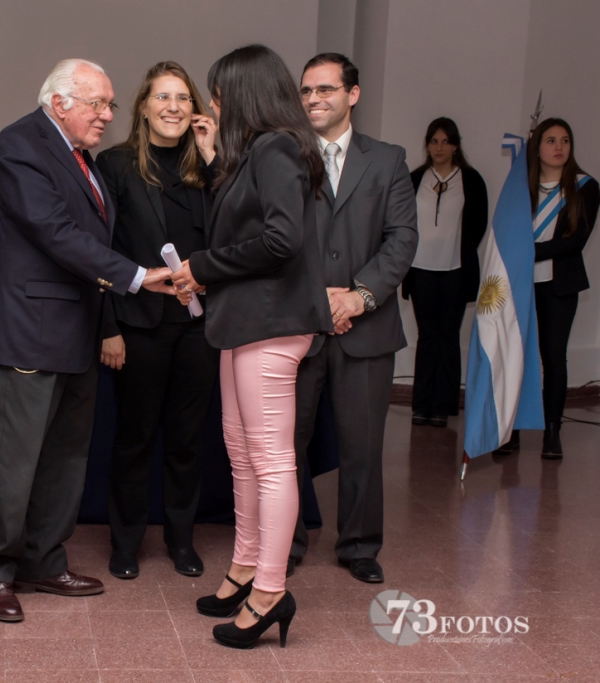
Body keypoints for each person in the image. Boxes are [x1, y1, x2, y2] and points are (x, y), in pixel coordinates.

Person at [0, 58, 174, 623]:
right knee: (14, 464)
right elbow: (54, 233)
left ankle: (42, 560)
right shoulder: (20, 144)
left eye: (109, 104)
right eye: (98, 104)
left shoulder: (82, 160)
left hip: (78, 333)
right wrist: (136, 276)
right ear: (60, 102)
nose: (109, 115)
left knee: (64, 459)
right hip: (30, 335)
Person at [170, 44, 333, 650]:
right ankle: (243, 568)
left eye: (218, 92)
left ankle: (269, 591)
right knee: (242, 454)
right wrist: (216, 165)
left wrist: (203, 265)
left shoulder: (279, 148)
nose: (212, 103)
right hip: (243, 321)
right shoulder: (256, 153)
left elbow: (281, 239)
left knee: (270, 461)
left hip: (271, 320)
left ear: (244, 93)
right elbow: (243, 221)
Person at [289, 53, 418, 584]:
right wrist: (321, 301)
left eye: (325, 89)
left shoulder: (387, 160)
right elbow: (280, 241)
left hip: (367, 329)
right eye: (306, 91)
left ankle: (360, 545)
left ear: (353, 94)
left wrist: (359, 297)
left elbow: (402, 238)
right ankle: (286, 541)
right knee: (287, 444)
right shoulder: (288, 159)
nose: (314, 99)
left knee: (363, 445)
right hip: (299, 328)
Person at [96, 61, 219, 580]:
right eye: (162, 97)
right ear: (144, 106)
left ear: (196, 109)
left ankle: (180, 541)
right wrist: (107, 327)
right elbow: (97, 252)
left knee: (188, 440)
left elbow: (234, 238)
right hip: (137, 327)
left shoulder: (211, 168)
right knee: (133, 439)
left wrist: (215, 158)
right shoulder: (116, 164)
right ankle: (125, 545)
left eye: (183, 98)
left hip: (198, 327)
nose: (173, 107)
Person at [498, 118, 597, 459]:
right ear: (536, 148)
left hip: (559, 285)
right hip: (520, 285)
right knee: (518, 358)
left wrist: (528, 251)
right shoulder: (520, 187)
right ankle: (511, 431)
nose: (559, 147)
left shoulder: (585, 187)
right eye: (551, 140)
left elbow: (575, 241)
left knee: (553, 358)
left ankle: (551, 431)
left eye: (565, 140)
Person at [403, 118, 488, 428]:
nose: (439, 147)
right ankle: (421, 404)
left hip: (455, 271)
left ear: (455, 145)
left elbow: (478, 225)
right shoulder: (414, 179)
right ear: (427, 145)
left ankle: (443, 406)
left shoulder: (471, 180)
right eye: (433, 141)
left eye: (445, 141)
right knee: (427, 337)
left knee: (448, 337)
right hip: (421, 270)